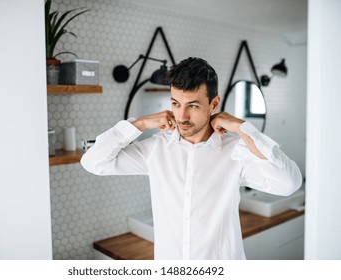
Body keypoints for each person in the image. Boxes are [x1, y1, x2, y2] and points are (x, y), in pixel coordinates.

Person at [81, 57, 302, 260]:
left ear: (214, 104)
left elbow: (289, 184)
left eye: (193, 105)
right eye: (176, 103)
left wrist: (241, 127)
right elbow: (93, 162)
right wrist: (140, 124)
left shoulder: (236, 153)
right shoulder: (155, 149)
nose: (182, 116)